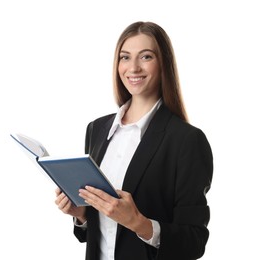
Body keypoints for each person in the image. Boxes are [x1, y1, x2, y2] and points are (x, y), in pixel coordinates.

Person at [55, 21, 213, 260]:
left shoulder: (187, 141)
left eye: (146, 57)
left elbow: (194, 242)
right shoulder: (97, 129)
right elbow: (100, 234)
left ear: (164, 64)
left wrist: (138, 223)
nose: (133, 67)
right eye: (125, 57)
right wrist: (83, 215)